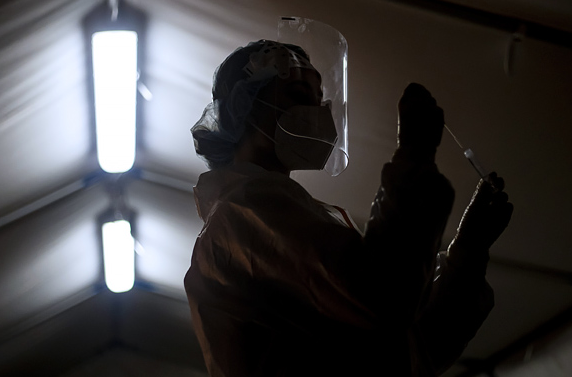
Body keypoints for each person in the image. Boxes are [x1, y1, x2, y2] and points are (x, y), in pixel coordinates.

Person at [184, 39, 514, 376]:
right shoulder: (240, 216)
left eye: (319, 100)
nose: (318, 113)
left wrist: (468, 251)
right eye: (298, 95)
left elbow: (408, 352)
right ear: (244, 107)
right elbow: (381, 301)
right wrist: (414, 158)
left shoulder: (276, 215)